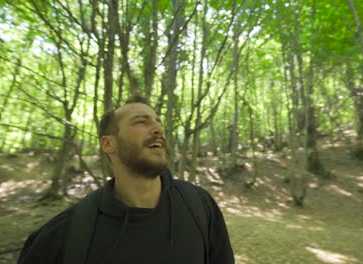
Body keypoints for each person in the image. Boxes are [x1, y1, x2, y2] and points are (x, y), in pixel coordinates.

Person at [17, 95, 234, 264]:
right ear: (108, 144)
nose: (158, 129)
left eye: (158, 122)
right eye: (141, 122)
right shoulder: (63, 235)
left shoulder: (200, 206)